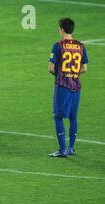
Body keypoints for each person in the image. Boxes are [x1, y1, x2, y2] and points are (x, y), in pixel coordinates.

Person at [48, 18, 88, 157]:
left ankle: (62, 150)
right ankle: (71, 148)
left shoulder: (58, 45)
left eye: (59, 28)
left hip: (62, 86)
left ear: (63, 30)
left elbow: (51, 68)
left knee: (58, 117)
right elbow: (84, 68)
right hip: (76, 86)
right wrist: (72, 74)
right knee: (73, 117)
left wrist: (62, 75)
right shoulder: (81, 46)